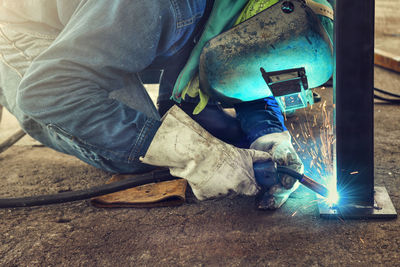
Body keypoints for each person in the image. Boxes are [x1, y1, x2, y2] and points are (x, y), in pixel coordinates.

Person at [0, 0, 332, 209]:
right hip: (30, 27)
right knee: (137, 152)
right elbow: (47, 92)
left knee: (187, 122)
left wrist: (268, 132)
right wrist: (197, 156)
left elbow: (255, 69)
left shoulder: (236, 11)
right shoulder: (156, 7)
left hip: (108, 24)